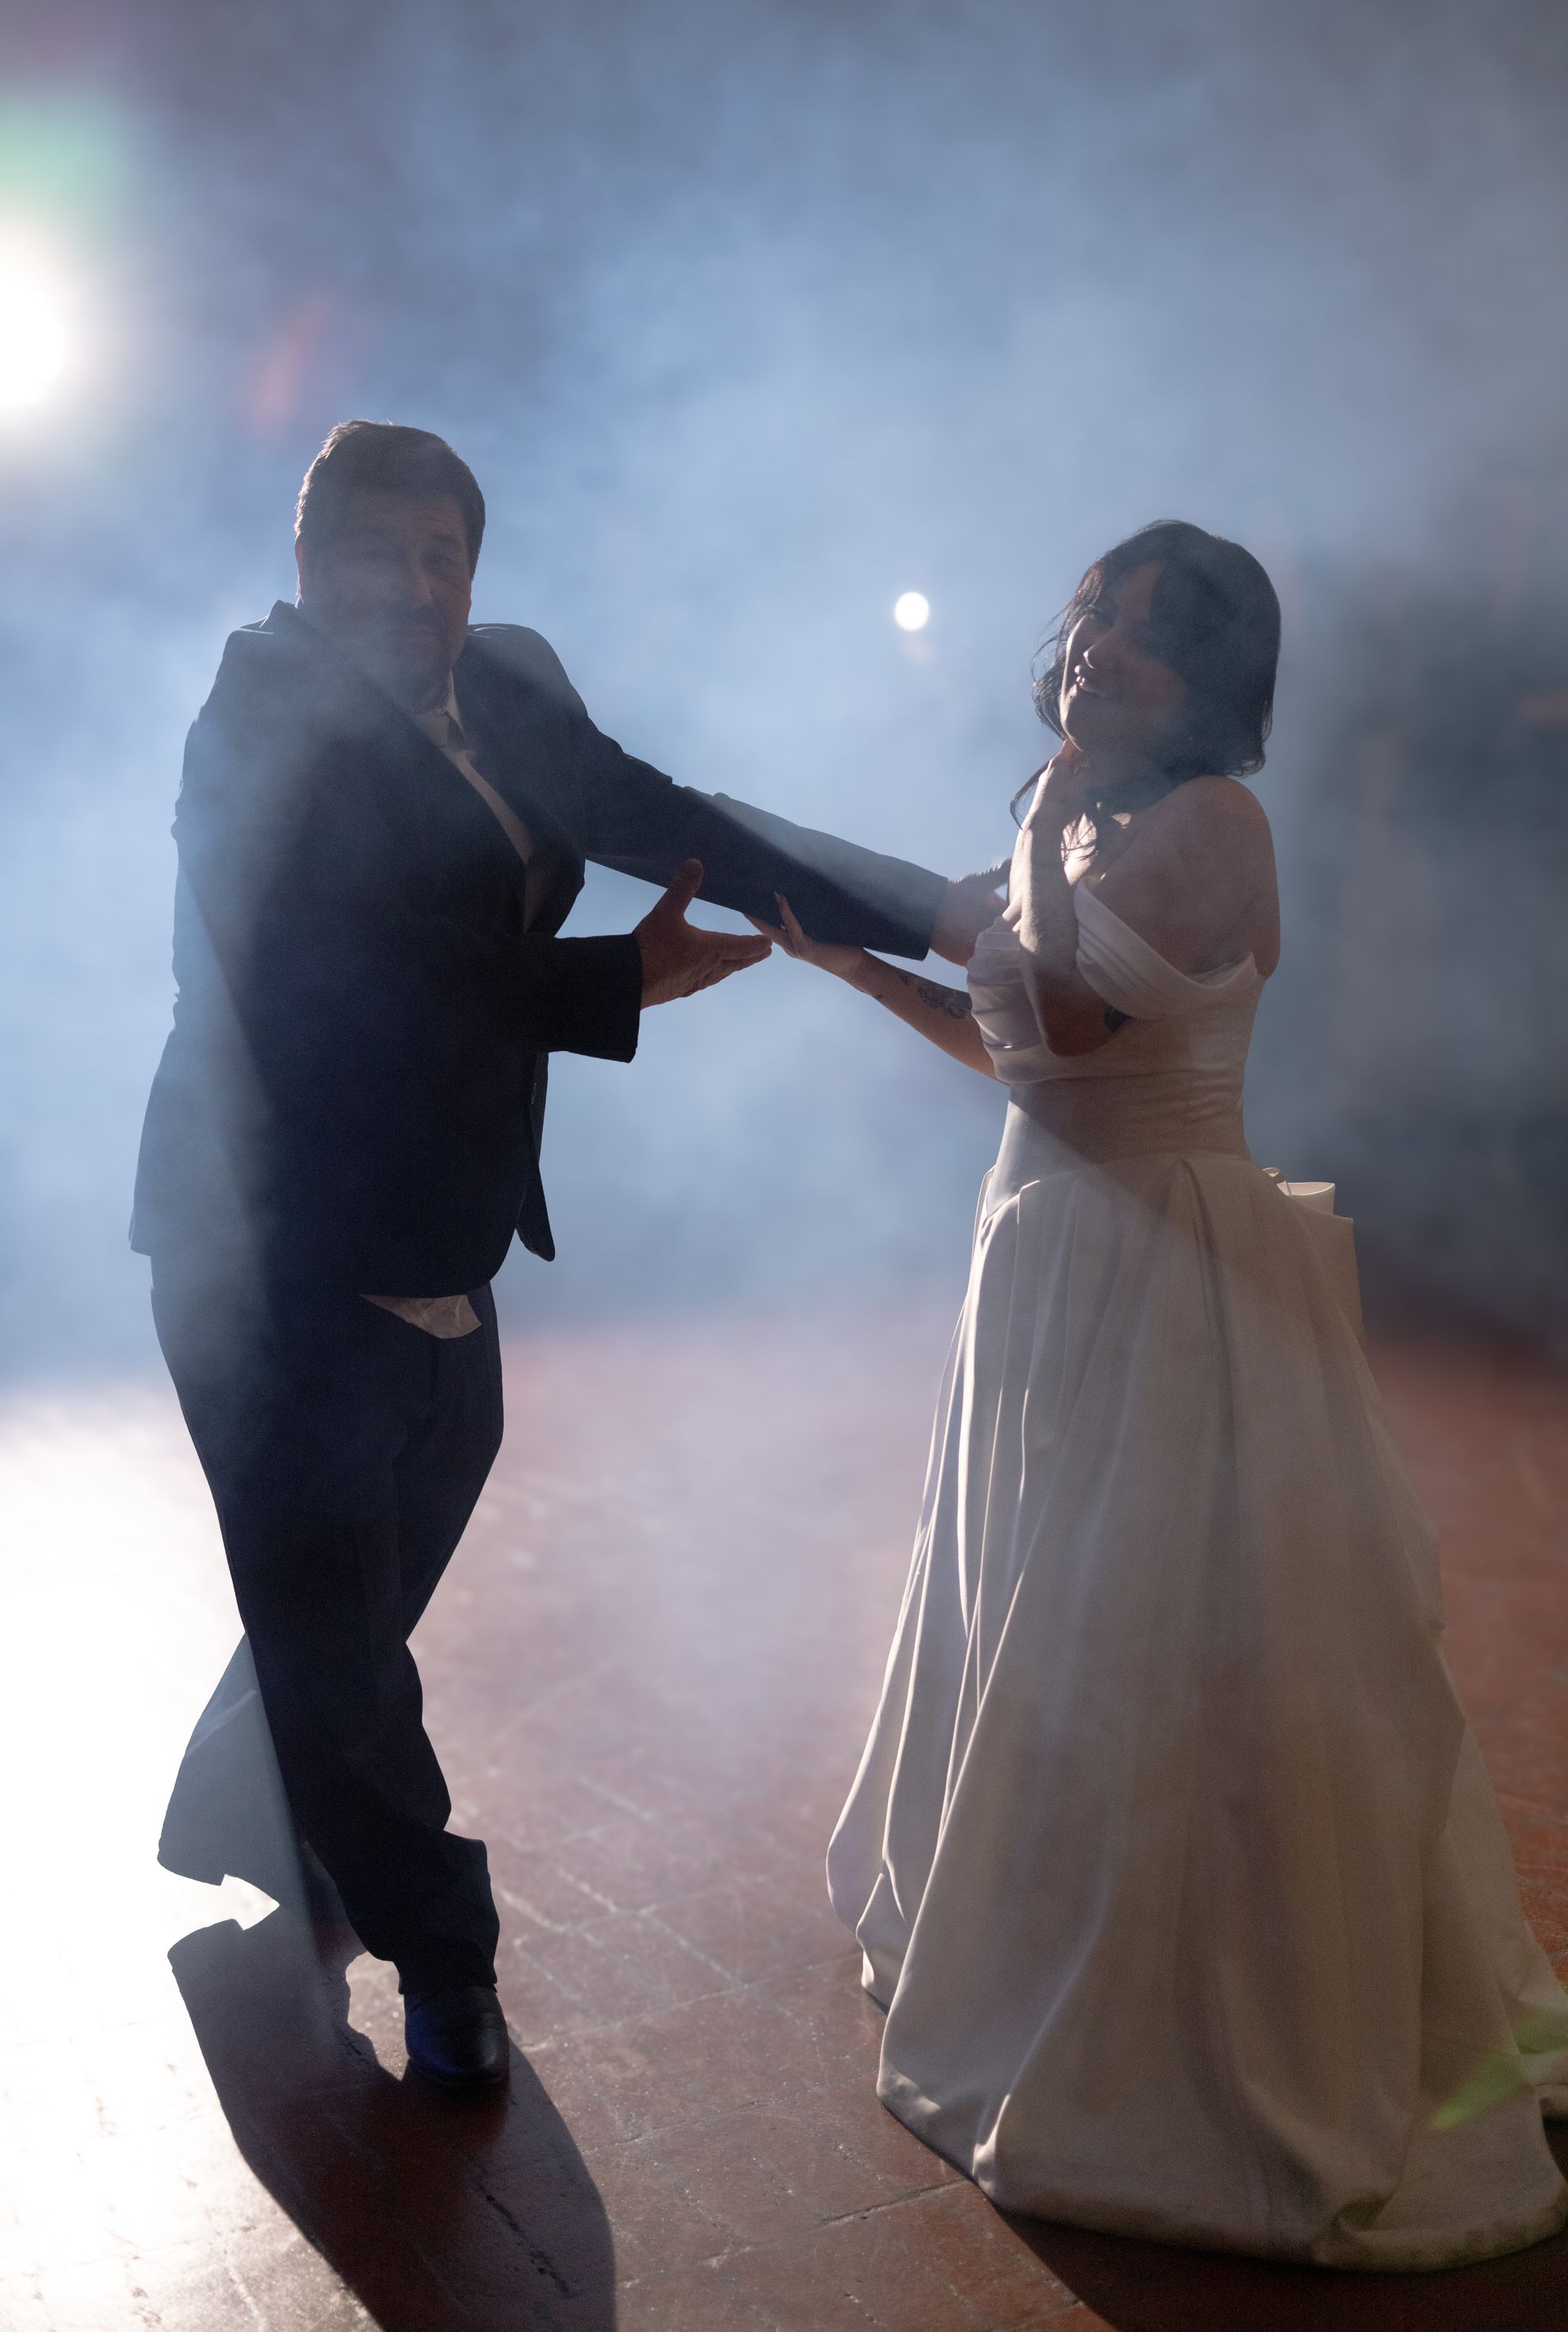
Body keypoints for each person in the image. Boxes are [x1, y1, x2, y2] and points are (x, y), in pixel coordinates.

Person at [134, 419, 1004, 2093]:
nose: (412, 589)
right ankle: (447, 1960)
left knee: (361, 1584)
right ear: (306, 568)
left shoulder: (508, 685)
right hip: (267, 1245)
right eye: (375, 556)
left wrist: (930, 913)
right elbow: (342, 989)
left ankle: (250, 1800)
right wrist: (617, 986)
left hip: (446, 1213)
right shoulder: (252, 722)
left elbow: (676, 819)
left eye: (442, 557)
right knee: (336, 1625)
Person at [754, 519, 1568, 2268]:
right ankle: (1028, 1932)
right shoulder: (1082, 817)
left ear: (1213, 682)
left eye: (1144, 639)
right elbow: (1001, 1051)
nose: (1098, 656)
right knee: (1030, 1609)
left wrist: (1028, 836)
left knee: (1154, 1638)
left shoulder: (1210, 825)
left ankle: (1185, 2028)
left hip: (1165, 1262)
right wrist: (846, 959)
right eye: (1088, 620)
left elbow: (1063, 1013)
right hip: (1039, 1240)